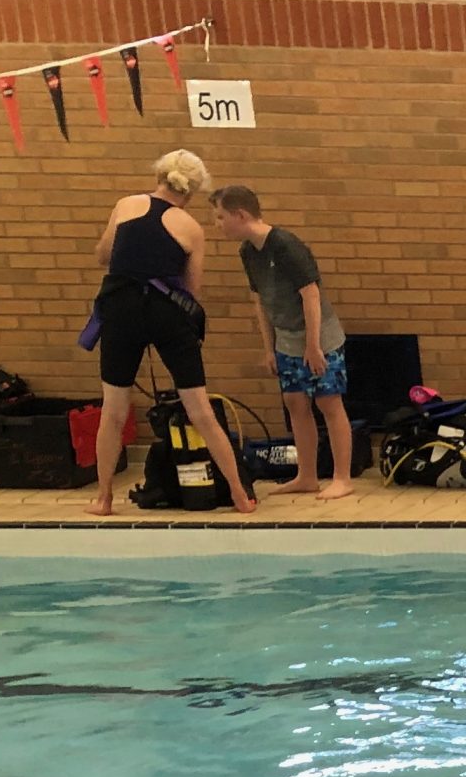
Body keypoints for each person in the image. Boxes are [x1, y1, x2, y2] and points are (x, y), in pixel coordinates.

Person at [85, 150, 253, 518]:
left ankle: (103, 499)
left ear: (160, 175)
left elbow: (103, 255)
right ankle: (240, 496)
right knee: (200, 409)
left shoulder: (126, 205)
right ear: (192, 191)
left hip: (121, 307)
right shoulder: (190, 226)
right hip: (166, 313)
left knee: (113, 410)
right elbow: (192, 290)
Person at [211, 185, 353, 502]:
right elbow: (258, 302)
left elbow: (311, 295)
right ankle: (307, 475)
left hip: (319, 336)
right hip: (287, 339)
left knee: (329, 403)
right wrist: (269, 347)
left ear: (241, 214)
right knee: (295, 404)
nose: (217, 224)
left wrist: (314, 347)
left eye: (220, 217)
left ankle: (342, 477)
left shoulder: (286, 246)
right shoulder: (248, 252)